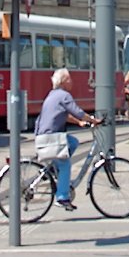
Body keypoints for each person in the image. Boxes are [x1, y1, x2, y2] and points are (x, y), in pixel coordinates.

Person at [34, 68, 98, 211]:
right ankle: (62, 197)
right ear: (63, 81)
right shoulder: (64, 95)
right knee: (65, 165)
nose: (71, 81)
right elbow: (77, 111)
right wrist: (93, 120)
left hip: (44, 136)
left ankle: (52, 169)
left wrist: (79, 122)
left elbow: (64, 115)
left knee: (73, 142)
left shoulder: (53, 94)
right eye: (69, 79)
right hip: (52, 137)